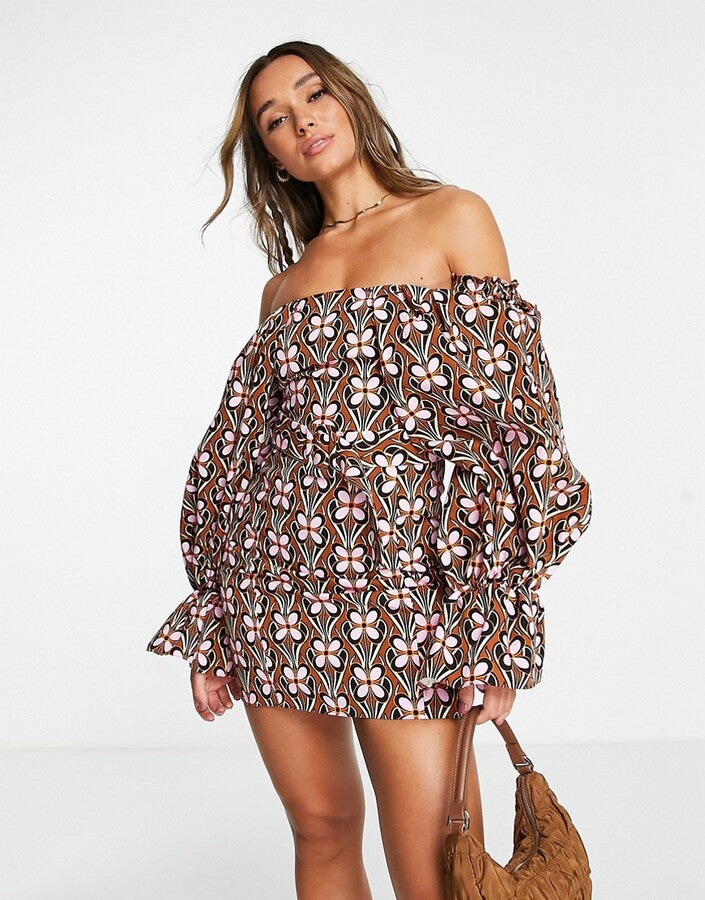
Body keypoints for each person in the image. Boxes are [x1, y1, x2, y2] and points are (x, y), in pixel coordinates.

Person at [146, 40, 593, 899]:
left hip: (410, 593)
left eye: (312, 94)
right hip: (276, 592)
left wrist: (497, 619)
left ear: (348, 99)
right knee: (319, 829)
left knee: (432, 869)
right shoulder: (284, 290)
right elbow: (238, 462)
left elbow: (517, 428)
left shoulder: (453, 218)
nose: (301, 120)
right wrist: (215, 617)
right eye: (275, 119)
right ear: (273, 157)